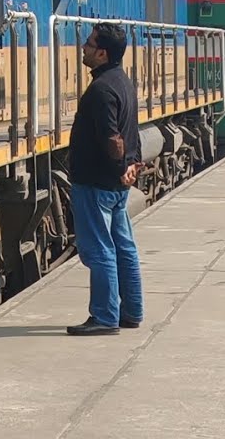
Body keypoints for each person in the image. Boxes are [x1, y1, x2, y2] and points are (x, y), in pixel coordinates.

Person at [65, 22, 144, 336]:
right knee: (123, 246)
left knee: (98, 249)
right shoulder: (122, 81)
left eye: (89, 43)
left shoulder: (100, 90)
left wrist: (118, 168)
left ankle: (104, 316)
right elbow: (130, 133)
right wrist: (130, 167)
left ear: (102, 52)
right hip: (114, 183)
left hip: (97, 182)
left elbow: (113, 138)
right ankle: (132, 311)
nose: (83, 47)